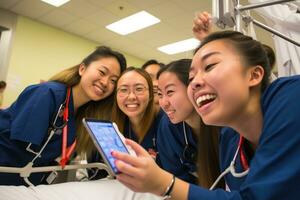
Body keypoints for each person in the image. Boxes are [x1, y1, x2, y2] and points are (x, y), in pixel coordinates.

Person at [112, 30, 300, 199]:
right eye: (191, 77)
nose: (194, 83)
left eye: (209, 66)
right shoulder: (230, 139)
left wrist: (164, 184)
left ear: (254, 75)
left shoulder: (291, 96)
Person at [0, 46, 126, 186]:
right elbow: (18, 148)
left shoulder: (83, 114)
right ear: (82, 69)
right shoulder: (47, 93)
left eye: (113, 80)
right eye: (102, 72)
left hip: (28, 181)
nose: (105, 82)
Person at [156, 59, 222, 187]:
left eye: (170, 92)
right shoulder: (168, 127)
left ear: (194, 87)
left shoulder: (224, 123)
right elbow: (175, 180)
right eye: (159, 94)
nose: (164, 103)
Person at [111, 67, 163, 159]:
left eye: (139, 89)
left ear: (151, 95)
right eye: (123, 90)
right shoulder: (114, 127)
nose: (131, 97)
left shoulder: (165, 122)